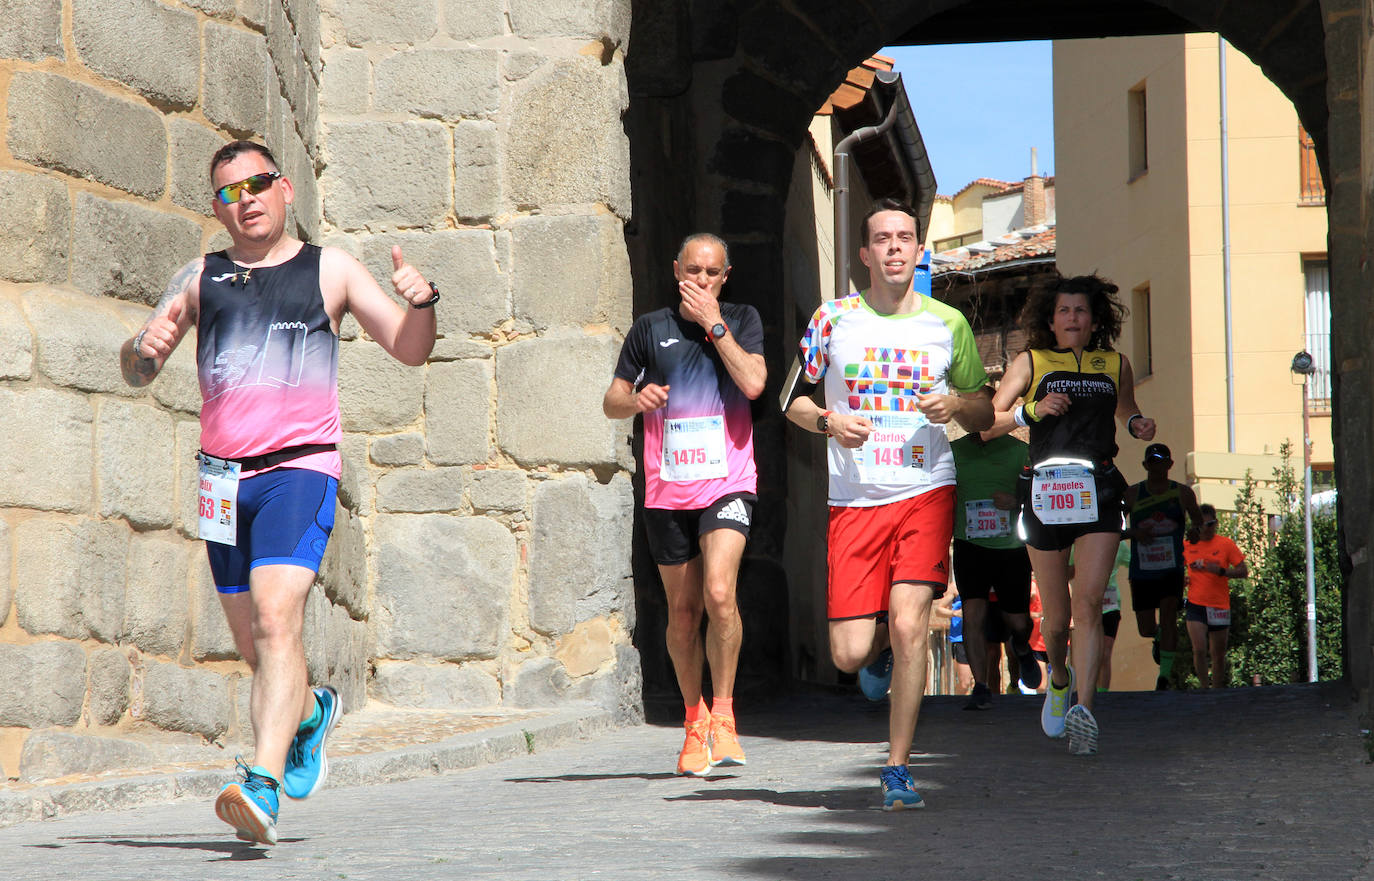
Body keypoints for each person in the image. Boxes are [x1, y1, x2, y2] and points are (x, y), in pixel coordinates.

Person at [118, 141, 438, 844]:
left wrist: (423, 305)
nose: (248, 198)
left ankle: (261, 782)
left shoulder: (332, 270)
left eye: (258, 183)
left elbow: (410, 348)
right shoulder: (201, 276)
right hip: (222, 480)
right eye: (230, 191)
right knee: (255, 642)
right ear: (218, 207)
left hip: (300, 467)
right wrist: (143, 346)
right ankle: (310, 713)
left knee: (274, 615)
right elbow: (138, 367)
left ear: (285, 188)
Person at [784, 198, 993, 810]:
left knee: (908, 625)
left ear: (919, 252)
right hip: (854, 498)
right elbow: (790, 400)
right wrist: (828, 421)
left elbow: (985, 410)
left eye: (906, 238)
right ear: (865, 253)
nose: (896, 247)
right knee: (849, 653)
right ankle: (878, 654)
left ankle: (897, 768)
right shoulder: (832, 318)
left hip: (925, 488)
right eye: (883, 239)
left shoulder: (947, 323)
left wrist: (956, 405)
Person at [602, 233, 765, 776]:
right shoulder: (650, 328)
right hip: (668, 488)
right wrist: (637, 399)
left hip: (727, 481)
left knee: (721, 592)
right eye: (692, 270)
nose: (701, 279)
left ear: (726, 275)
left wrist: (715, 324)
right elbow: (612, 401)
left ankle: (724, 713)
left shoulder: (741, 319)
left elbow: (756, 382)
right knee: (684, 611)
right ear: (676, 270)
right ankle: (694, 720)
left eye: (712, 272)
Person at [988, 273, 1155, 756]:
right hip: (1045, 491)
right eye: (1064, 310)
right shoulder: (1031, 361)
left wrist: (1137, 423)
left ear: (1095, 317)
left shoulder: (1114, 363)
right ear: (1050, 318)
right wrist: (1032, 411)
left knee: (1089, 607)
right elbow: (987, 426)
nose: (1073, 318)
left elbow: (1126, 410)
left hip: (1098, 488)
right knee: (1056, 620)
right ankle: (1058, 678)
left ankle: (1084, 709)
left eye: (1081, 310)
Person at [950, 429, 1042, 709]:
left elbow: (1040, 494)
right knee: (973, 615)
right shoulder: (953, 451)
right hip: (969, 545)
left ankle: (1023, 647)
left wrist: (1017, 502)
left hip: (1010, 549)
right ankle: (981, 686)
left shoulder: (1020, 450)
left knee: (1019, 622)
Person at [1122, 443, 1202, 690]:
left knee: (1169, 617)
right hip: (1142, 570)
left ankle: (1163, 677)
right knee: (1146, 629)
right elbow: (1114, 530)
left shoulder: (1183, 494)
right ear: (1146, 465)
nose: (1157, 467)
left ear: (1170, 465)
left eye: (1162, 462)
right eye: (1153, 462)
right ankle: (1157, 639)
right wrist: (1134, 532)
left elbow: (1198, 523)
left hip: (1171, 568)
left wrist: (1195, 532)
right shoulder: (1133, 494)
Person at [1182, 505, 1248, 689]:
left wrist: (1221, 571)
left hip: (1219, 605)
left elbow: (1243, 571)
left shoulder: (1225, 544)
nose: (1206, 528)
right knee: (1199, 649)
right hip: (1195, 604)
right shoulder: (1187, 544)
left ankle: (1217, 690)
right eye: (1201, 525)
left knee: (1218, 654)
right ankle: (1204, 688)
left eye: (1209, 524)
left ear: (1216, 523)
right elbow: (1176, 568)